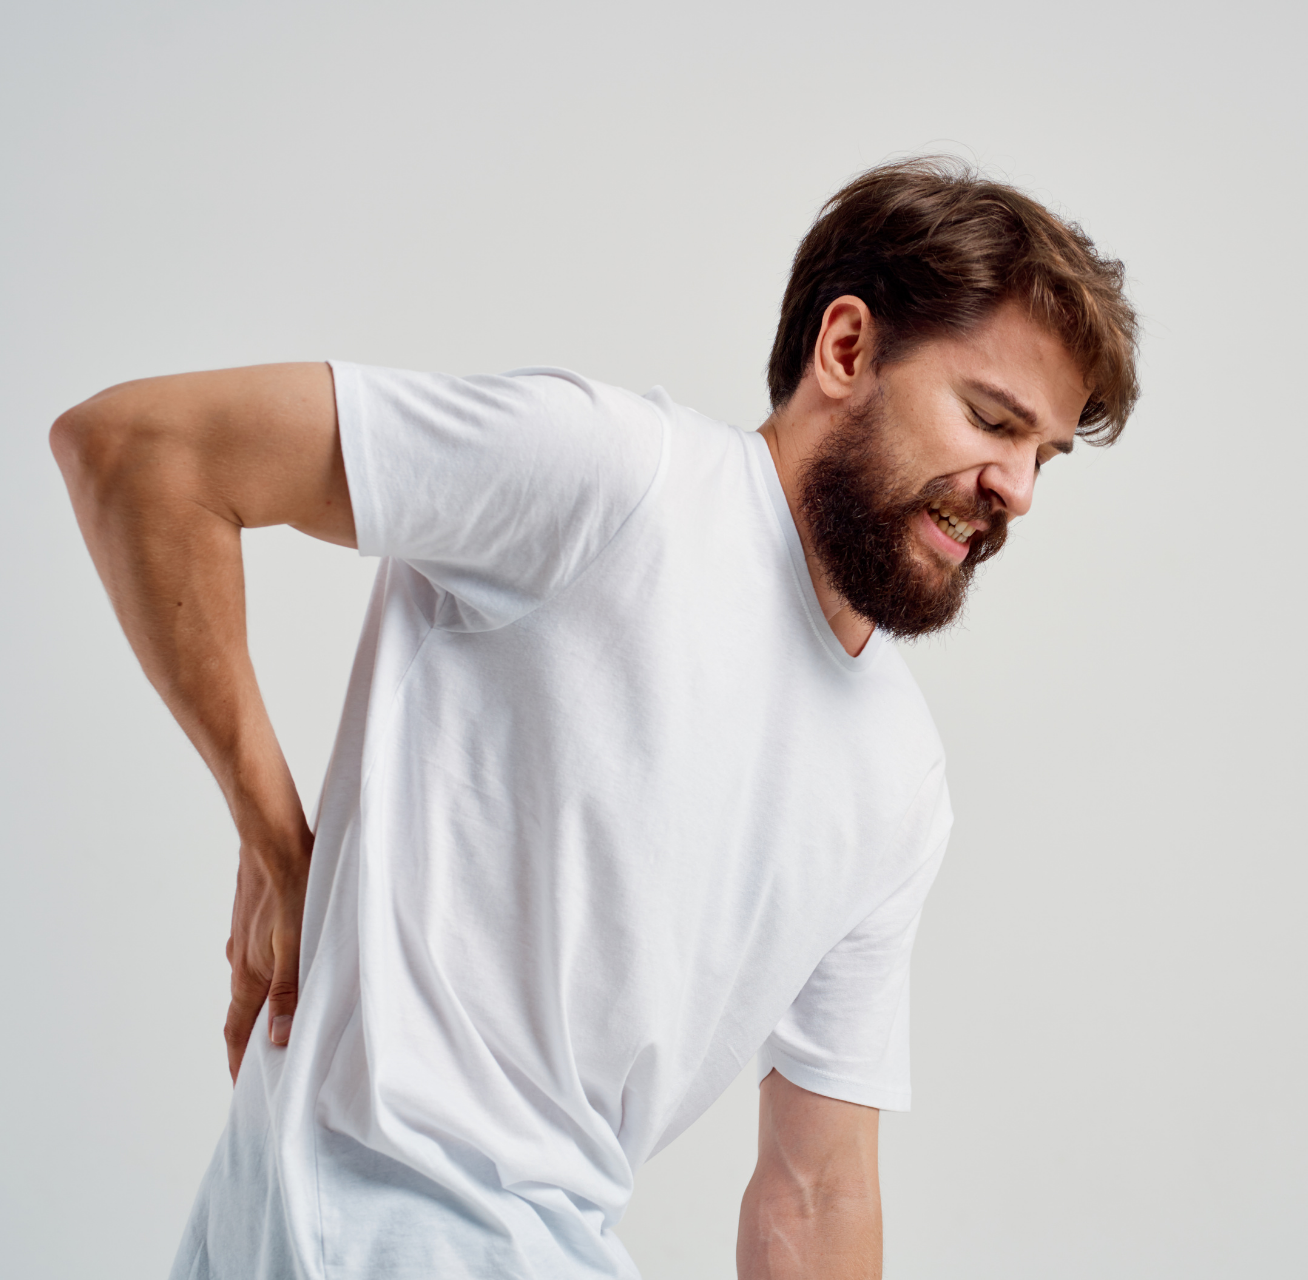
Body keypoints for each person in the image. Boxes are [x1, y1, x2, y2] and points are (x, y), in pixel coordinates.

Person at [50, 157, 1139, 1280]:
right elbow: (142, 452)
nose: (1016, 487)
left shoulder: (898, 775)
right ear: (847, 348)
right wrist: (275, 840)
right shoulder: (617, 478)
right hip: (364, 1213)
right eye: (992, 418)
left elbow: (815, 1191)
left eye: (1041, 453)